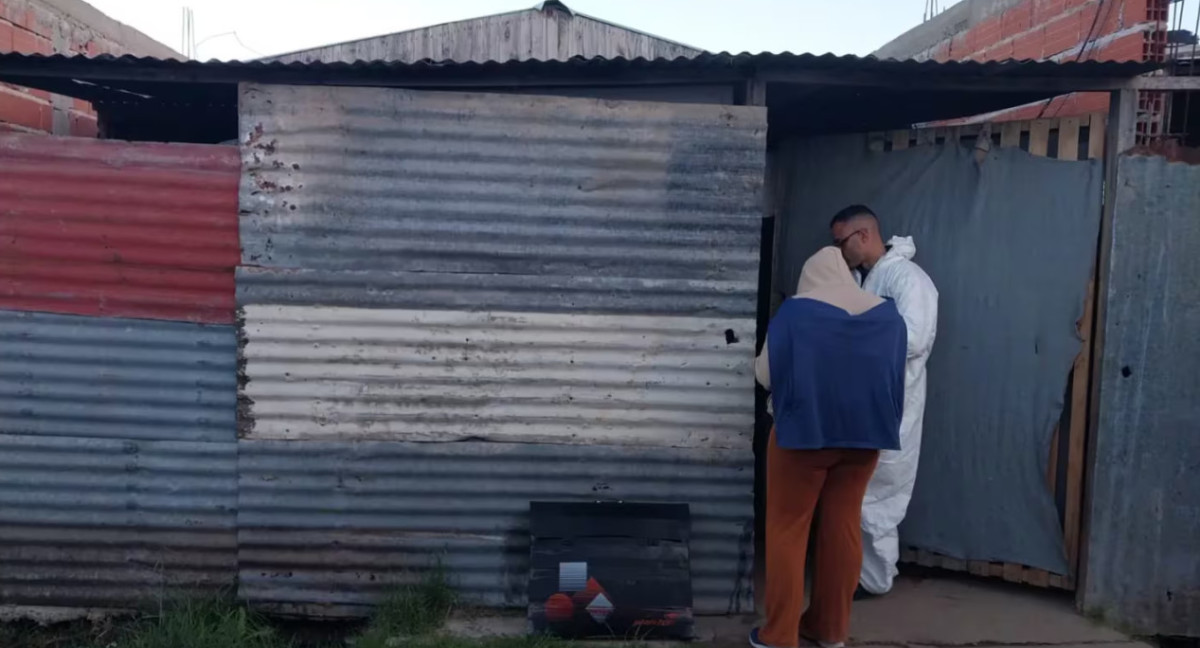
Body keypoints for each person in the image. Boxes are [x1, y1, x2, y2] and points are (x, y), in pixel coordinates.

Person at [749, 247, 907, 648]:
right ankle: (830, 630)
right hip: (866, 438)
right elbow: (894, 378)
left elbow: (766, 376)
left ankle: (779, 635)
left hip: (804, 435)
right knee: (842, 525)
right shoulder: (888, 316)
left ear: (810, 278)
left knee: (787, 529)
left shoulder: (795, 314)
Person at [828, 205, 938, 597]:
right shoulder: (865, 279)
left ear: (863, 235)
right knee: (858, 490)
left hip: (896, 403)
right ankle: (857, 573)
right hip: (865, 403)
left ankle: (874, 580)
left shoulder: (908, 279)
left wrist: (857, 336)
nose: (838, 251)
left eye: (840, 242)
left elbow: (916, 338)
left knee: (881, 492)